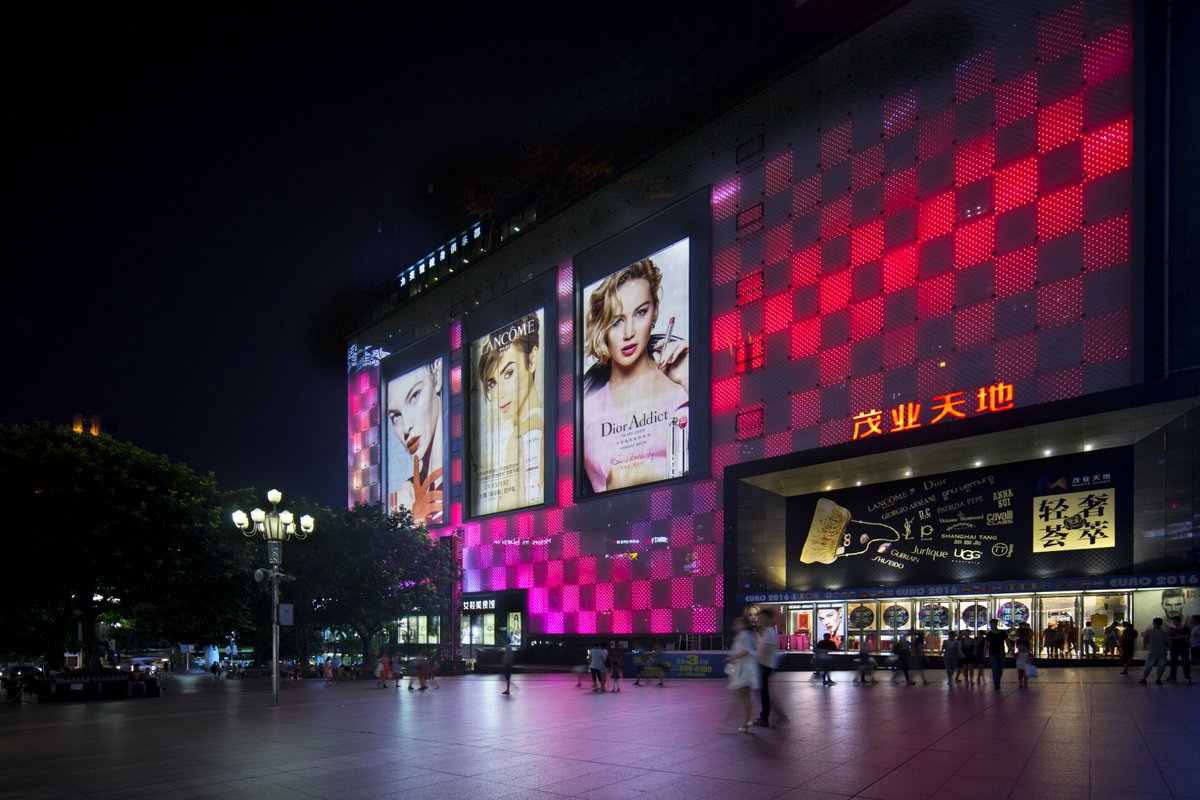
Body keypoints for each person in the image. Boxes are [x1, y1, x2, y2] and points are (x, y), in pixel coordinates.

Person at [582, 258, 689, 493]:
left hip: (684, 517)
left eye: (640, 312)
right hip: (606, 525)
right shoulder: (585, 409)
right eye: (617, 321)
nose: (629, 332)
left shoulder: (683, 384)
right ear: (603, 326)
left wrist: (690, 381)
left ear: (655, 312)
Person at [476, 314, 544, 512]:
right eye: (492, 383)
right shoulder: (525, 432)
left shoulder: (527, 435)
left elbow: (521, 525)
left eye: (508, 373)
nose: (500, 393)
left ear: (531, 360)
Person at [386, 361, 444, 526]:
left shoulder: (471, 474)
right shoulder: (402, 498)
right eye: (395, 416)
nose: (406, 427)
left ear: (437, 375)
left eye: (414, 396)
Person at [724, 616, 760, 733]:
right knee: (742, 695)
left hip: (745, 669)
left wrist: (732, 658)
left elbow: (745, 651)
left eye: (738, 622)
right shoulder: (741, 636)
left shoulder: (745, 635)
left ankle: (746, 721)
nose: (736, 625)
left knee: (743, 695)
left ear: (744, 624)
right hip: (741, 669)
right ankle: (746, 720)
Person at [753, 608, 786, 726]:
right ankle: (778, 716)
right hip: (766, 665)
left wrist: (758, 664)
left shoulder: (769, 633)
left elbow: (765, 651)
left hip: (765, 666)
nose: (761, 620)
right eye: (760, 618)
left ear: (770, 619)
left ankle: (765, 718)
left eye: (763, 618)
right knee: (764, 692)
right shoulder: (767, 632)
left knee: (764, 693)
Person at [1139, 618, 1170, 685]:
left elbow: (1144, 641)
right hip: (1162, 651)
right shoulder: (1164, 632)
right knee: (1161, 666)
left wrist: (1148, 645)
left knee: (1148, 665)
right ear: (1161, 624)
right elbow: (1167, 642)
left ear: (1153, 623)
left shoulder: (1148, 631)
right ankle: (1158, 679)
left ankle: (1144, 679)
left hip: (1152, 651)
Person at [1164, 616, 1192, 684]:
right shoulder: (1171, 629)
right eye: (1173, 621)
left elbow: (1188, 636)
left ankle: (1187, 677)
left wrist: (1177, 636)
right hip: (1174, 647)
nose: (1174, 623)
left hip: (1183, 647)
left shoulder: (1185, 628)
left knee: (1185, 662)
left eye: (1175, 621)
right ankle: (1172, 677)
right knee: (1173, 663)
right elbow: (1170, 638)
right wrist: (1181, 636)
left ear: (1179, 621)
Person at [985, 618, 1009, 690]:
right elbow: (986, 644)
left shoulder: (1002, 633)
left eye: (992, 624)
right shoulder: (989, 634)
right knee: (995, 668)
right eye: (990, 624)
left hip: (1001, 652)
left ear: (996, 624)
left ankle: (997, 680)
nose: (991, 625)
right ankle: (996, 683)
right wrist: (984, 653)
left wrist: (1011, 650)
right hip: (992, 653)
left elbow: (1007, 641)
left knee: (1000, 668)